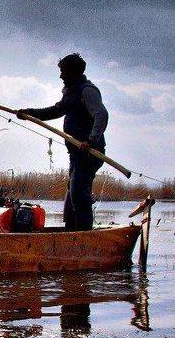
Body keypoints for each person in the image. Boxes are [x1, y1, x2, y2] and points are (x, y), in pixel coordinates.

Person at [18, 53, 108, 231]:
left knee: (79, 193)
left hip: (89, 152)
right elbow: (55, 111)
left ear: (73, 72)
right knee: (72, 193)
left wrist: (90, 140)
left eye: (63, 72)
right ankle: (71, 231)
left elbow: (101, 115)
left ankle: (83, 235)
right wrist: (28, 113)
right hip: (77, 154)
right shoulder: (71, 92)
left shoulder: (87, 91)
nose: (60, 76)